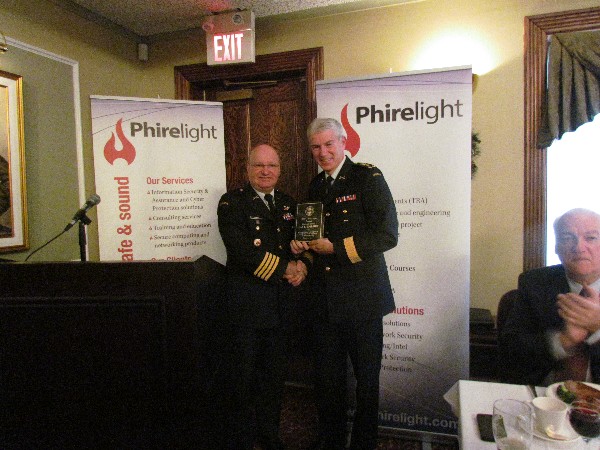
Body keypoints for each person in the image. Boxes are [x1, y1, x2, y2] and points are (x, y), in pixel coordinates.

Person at [291, 118, 398, 450]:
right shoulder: (316, 186)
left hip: (363, 300)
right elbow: (312, 237)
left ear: (343, 141)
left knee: (367, 382)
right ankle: (331, 440)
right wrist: (302, 247)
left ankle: (364, 443)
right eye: (316, 147)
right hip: (324, 302)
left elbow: (387, 235)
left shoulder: (367, 178)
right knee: (327, 381)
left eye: (328, 145)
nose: (323, 153)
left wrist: (337, 248)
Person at [217, 144, 308, 450]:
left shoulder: (287, 203)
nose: (266, 171)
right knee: (242, 379)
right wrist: (286, 268)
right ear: (248, 169)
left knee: (273, 379)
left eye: (272, 166)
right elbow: (242, 252)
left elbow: (302, 242)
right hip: (247, 308)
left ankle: (269, 436)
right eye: (259, 165)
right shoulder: (232, 203)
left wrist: (303, 266)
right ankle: (240, 439)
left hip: (281, 309)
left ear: (280, 170)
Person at [498, 208, 600, 386]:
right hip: (543, 396)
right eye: (567, 238)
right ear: (556, 247)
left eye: (590, 238)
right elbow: (511, 350)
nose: (579, 247)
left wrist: (598, 327)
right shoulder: (534, 283)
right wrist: (563, 340)